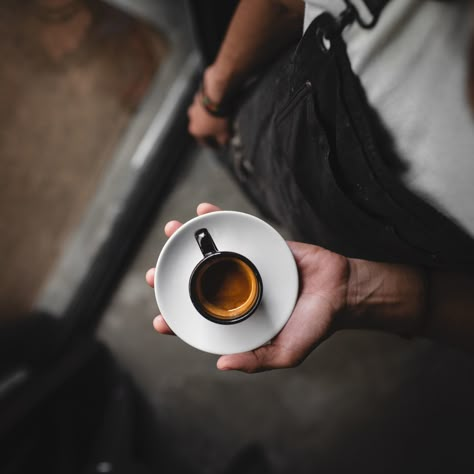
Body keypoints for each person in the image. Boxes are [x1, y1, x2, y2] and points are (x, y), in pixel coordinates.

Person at [146, 0, 474, 372]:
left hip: (396, 242)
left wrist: (369, 292)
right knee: (252, 158)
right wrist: (214, 94)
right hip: (304, 97)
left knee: (256, 165)